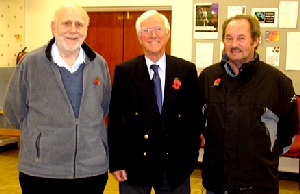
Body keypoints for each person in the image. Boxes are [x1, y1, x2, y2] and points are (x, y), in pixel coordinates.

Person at [4, 3, 111, 193]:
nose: (72, 30)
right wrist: (41, 138)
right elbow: (14, 109)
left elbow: (104, 106)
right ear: (53, 27)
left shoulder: (98, 63)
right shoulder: (31, 63)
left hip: (91, 171)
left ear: (86, 29)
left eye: (79, 24)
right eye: (66, 23)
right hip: (41, 172)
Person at [198, 14, 298, 194]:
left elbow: (287, 135)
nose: (234, 44)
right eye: (229, 38)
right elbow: (200, 123)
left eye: (241, 38)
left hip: (259, 184)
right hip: (216, 183)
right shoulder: (208, 77)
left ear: (256, 41)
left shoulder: (277, 82)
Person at [108, 10, 200, 194]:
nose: (153, 35)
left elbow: (194, 119)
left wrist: (190, 159)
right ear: (140, 38)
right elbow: (116, 121)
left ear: (167, 34)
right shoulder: (125, 72)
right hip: (134, 165)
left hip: (174, 167)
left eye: (158, 29)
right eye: (146, 31)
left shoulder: (186, 70)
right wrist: (116, 162)